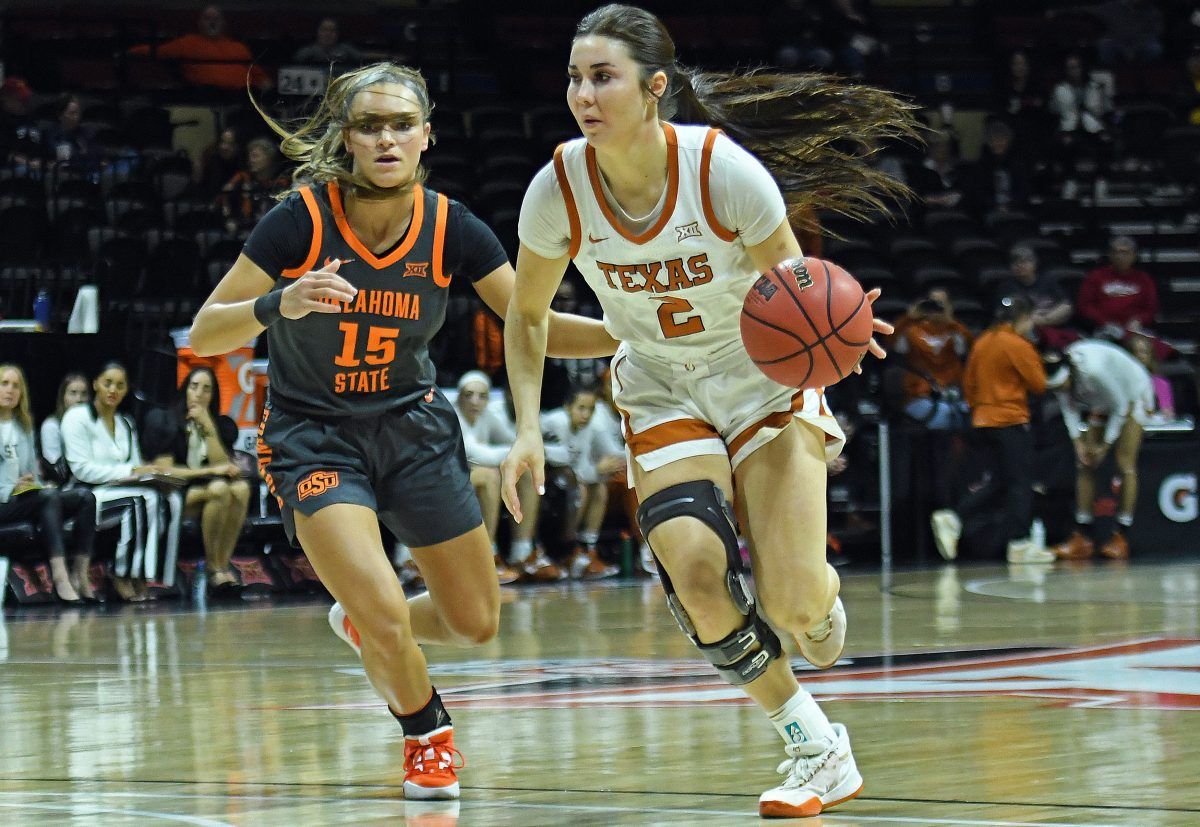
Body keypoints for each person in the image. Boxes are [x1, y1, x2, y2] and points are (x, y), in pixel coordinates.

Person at [499, 5, 913, 818]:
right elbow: (528, 317)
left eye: (603, 76)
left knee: (794, 606)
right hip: (660, 383)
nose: (583, 93)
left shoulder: (725, 173)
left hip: (760, 375)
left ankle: (818, 602)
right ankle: (813, 744)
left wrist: (841, 331)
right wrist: (522, 430)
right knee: (694, 570)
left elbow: (798, 294)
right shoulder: (557, 189)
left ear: (655, 88)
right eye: (575, 77)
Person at [187, 62, 618, 800]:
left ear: (427, 135)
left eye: (400, 124)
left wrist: (629, 332)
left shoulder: (453, 227)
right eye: (369, 125)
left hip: (413, 429)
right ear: (347, 139)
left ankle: (366, 628)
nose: (386, 138)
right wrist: (279, 303)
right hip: (314, 435)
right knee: (384, 606)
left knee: (475, 622)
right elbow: (205, 330)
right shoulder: (301, 219)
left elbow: (533, 323)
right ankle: (427, 731)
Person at [929, 297, 1052, 563]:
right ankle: (1019, 545)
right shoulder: (1018, 344)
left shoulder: (982, 342)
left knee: (1000, 481)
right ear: (1023, 318)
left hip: (982, 422)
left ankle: (953, 517)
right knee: (1020, 484)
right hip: (1010, 420)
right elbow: (1039, 383)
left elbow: (969, 385)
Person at [61, 363, 184, 602]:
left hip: (121, 490)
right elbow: (82, 470)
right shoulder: (77, 417)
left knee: (172, 500)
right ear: (96, 384)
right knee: (142, 500)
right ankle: (122, 573)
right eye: (108, 383)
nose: (113, 390)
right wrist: (131, 470)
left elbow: (136, 464)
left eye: (120, 385)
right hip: (86, 495)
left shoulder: (125, 423)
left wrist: (151, 475)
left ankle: (154, 574)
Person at [141, 367, 250, 599]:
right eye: (194, 386)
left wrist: (208, 426)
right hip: (177, 492)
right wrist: (211, 470)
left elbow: (224, 465)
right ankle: (213, 569)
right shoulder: (166, 421)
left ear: (213, 395)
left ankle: (222, 563)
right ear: (185, 390)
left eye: (207, 389)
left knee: (240, 488)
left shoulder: (220, 425)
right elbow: (166, 472)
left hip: (212, 490)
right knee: (219, 488)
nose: (199, 393)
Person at [1047, 339, 1155, 561]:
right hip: (1103, 399)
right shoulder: (1057, 373)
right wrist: (1079, 443)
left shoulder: (1094, 372)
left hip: (1132, 392)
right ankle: (1082, 537)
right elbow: (1068, 407)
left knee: (1125, 464)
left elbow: (1121, 406)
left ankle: (1122, 536)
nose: (1063, 390)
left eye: (1064, 386)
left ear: (1071, 374)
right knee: (1085, 462)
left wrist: (1105, 446)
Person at [0, 364, 97, 603]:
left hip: (22, 497)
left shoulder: (23, 426)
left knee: (85, 497)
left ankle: (80, 576)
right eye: (4, 384)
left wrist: (33, 480)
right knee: (47, 498)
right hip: (2, 501)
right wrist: (13, 485)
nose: (10, 390)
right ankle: (60, 577)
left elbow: (30, 473)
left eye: (16, 386)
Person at [454, 370, 561, 582]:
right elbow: (474, 453)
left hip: (469, 474)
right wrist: (517, 454)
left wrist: (529, 452)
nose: (475, 401)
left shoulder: (487, 417)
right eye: (468, 395)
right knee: (490, 476)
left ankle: (521, 552)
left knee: (526, 472)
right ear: (459, 397)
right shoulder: (452, 416)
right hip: (446, 478)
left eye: (482, 396)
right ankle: (487, 555)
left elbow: (515, 442)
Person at [540, 384, 624, 578]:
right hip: (546, 484)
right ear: (567, 407)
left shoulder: (588, 428)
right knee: (581, 488)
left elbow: (583, 468)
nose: (586, 415)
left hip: (568, 481)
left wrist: (598, 470)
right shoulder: (554, 423)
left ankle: (587, 549)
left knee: (599, 488)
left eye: (591, 409)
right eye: (581, 408)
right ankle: (566, 551)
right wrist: (598, 469)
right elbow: (565, 463)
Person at [128, 5, 271, 92]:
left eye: (216, 18)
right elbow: (156, 52)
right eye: (208, 18)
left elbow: (261, 78)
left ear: (224, 23)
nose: (212, 22)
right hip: (205, 99)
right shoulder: (186, 43)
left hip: (241, 101)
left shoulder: (239, 48)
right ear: (200, 23)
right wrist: (129, 51)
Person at [890, 288, 972, 430]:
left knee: (967, 413)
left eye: (940, 304)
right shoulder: (911, 330)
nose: (936, 308)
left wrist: (950, 320)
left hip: (952, 394)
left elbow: (967, 348)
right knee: (943, 414)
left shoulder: (955, 331)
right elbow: (893, 345)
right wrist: (908, 317)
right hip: (920, 395)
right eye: (932, 303)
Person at [995, 244, 1076, 349]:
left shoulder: (1048, 281)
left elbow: (1066, 306)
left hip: (1052, 326)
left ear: (1034, 263)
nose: (1020, 266)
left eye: (1025, 261)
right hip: (1024, 334)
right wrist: (1031, 320)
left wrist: (1045, 319)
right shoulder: (1006, 287)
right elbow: (1004, 316)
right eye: (1016, 263)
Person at [1077, 236, 1158, 339]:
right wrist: (1104, 322)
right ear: (1110, 255)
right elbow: (1085, 306)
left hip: (1135, 329)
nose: (1120, 256)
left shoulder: (1144, 279)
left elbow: (1151, 308)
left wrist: (1139, 320)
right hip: (1104, 328)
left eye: (1125, 253)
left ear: (1134, 255)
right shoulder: (1096, 276)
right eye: (1116, 252)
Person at [220, 137, 292, 231]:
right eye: (250, 156)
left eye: (255, 156)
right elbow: (225, 197)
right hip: (241, 232)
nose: (251, 160)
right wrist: (229, 220)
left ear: (270, 158)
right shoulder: (241, 178)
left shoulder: (282, 182)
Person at [40, 372, 90, 478]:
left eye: (84, 393)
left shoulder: (93, 425)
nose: (79, 399)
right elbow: (56, 469)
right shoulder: (51, 426)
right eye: (73, 393)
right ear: (63, 397)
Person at [293, 18, 366, 69]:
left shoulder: (345, 49)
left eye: (332, 30)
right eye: (324, 30)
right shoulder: (307, 52)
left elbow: (362, 56)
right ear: (318, 32)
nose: (328, 34)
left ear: (337, 33)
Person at [195, 127, 243, 199]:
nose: (224, 147)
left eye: (230, 143)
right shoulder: (212, 161)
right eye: (222, 142)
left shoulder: (242, 167)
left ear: (237, 146)